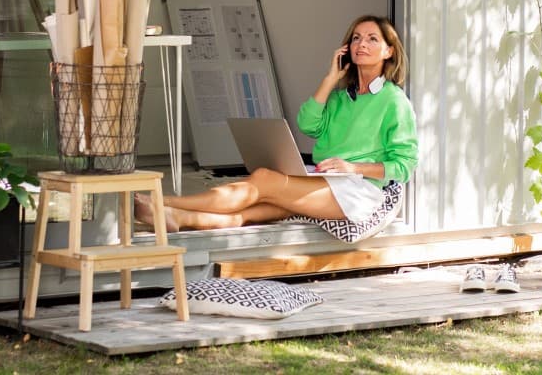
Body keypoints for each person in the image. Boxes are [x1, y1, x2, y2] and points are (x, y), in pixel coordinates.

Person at [134, 15, 418, 232]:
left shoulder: (393, 101)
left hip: (358, 191)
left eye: (372, 39)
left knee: (264, 180)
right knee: (259, 208)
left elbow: (404, 165)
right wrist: (330, 79)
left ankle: (163, 202)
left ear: (389, 52)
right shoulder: (342, 97)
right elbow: (308, 124)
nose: (362, 44)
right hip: (325, 181)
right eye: (356, 38)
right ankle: (178, 219)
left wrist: (353, 167)